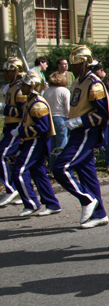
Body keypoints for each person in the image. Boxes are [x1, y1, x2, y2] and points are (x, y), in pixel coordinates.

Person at [53, 45, 109, 229]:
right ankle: (99, 214)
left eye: (76, 63)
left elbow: (102, 115)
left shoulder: (94, 84)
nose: (72, 67)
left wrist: (80, 121)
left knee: (60, 167)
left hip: (86, 132)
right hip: (78, 131)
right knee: (88, 175)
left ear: (86, 63)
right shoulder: (79, 81)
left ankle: (87, 199)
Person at [10, 70, 61, 217]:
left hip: (35, 141)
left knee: (19, 171)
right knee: (39, 174)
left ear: (33, 87)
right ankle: (52, 204)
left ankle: (31, 203)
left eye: (25, 85)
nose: (22, 87)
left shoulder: (38, 104)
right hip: (30, 141)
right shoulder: (31, 101)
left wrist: (20, 132)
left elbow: (42, 127)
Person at [0, 56, 26, 207]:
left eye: (8, 71)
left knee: (2, 154)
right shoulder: (11, 87)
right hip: (9, 126)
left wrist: (5, 108)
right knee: (16, 160)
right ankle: (22, 191)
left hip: (17, 126)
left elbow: (23, 112)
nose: (5, 73)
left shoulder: (20, 88)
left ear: (16, 72)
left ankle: (10, 189)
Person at [43, 72, 71, 171]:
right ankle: (60, 167)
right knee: (61, 144)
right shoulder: (65, 91)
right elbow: (67, 108)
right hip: (61, 118)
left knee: (52, 144)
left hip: (49, 118)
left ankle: (51, 167)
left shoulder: (46, 91)